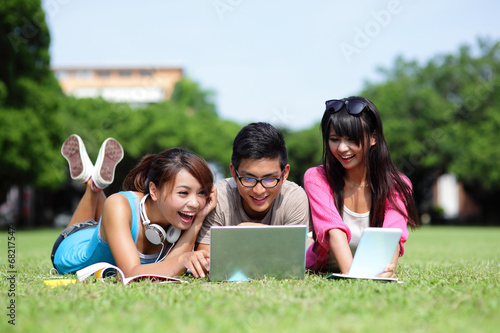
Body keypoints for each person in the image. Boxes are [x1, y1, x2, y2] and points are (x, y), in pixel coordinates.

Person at [51, 134, 216, 279]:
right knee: (113, 206)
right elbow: (130, 273)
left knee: (112, 212)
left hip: (111, 228)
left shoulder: (183, 216)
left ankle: (95, 184)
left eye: (201, 193)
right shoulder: (119, 204)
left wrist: (199, 220)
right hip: (74, 242)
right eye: (183, 193)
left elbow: (173, 271)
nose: (195, 203)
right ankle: (93, 186)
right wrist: (182, 260)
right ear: (154, 190)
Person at [304, 96, 420, 278]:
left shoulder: (398, 184)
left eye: (351, 139)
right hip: (321, 266)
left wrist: (387, 271)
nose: (342, 148)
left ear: (373, 138)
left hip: (368, 268)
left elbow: (393, 234)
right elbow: (333, 230)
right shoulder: (317, 177)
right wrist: (351, 274)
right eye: (334, 139)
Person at [196, 122, 312, 253]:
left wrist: (255, 233)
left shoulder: (294, 199)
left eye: (269, 179)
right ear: (234, 172)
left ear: (284, 174)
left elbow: (296, 255)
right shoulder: (219, 198)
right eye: (249, 178)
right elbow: (206, 257)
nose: (259, 190)